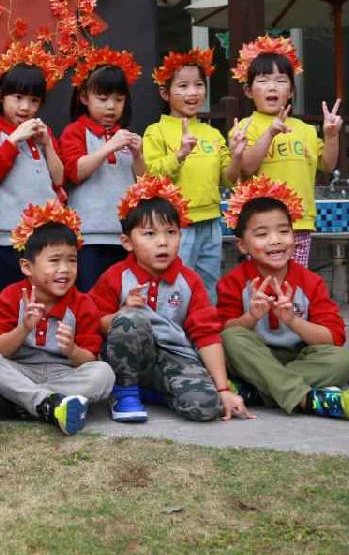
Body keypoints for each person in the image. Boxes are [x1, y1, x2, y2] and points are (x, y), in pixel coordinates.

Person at [91, 175, 251, 424]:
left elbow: (206, 335)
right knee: (130, 319)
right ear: (127, 242)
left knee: (206, 407)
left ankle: (154, 392)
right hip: (131, 359)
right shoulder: (116, 277)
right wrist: (120, 314)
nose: (163, 242)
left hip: (174, 357)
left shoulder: (189, 280)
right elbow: (94, 322)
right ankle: (125, 392)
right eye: (149, 234)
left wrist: (222, 389)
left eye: (171, 232)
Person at [216, 177, 349, 421]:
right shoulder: (233, 281)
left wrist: (293, 320)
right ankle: (307, 399)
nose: (275, 240)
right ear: (242, 245)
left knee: (345, 361)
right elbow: (222, 332)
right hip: (253, 357)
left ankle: (259, 390)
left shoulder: (310, 281)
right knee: (230, 338)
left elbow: (333, 337)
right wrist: (251, 317)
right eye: (262, 234)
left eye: (284, 231)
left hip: (298, 358)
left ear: (294, 236)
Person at [0, 201, 115, 435]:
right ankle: (50, 403)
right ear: (27, 267)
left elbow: (89, 359)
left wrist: (72, 349)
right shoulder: (11, 297)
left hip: (63, 373)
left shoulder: (82, 303)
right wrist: (23, 328)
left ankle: (30, 403)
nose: (65, 269)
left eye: (72, 260)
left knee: (104, 374)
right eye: (54, 260)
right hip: (20, 370)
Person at [143, 48, 246, 297]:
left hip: (211, 221)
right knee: (175, 286)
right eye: (183, 86)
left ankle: (206, 321)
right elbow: (150, 177)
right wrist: (179, 154)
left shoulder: (212, 133)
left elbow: (228, 179)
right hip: (176, 224)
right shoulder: (156, 131)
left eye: (199, 85)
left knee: (208, 287)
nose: (193, 92)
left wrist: (237, 155)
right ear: (165, 93)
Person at [235, 35, 342, 267]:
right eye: (263, 80)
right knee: (263, 279)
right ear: (248, 90)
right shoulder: (245, 126)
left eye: (281, 80)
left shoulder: (305, 129)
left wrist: (331, 136)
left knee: (295, 281)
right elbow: (246, 167)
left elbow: (328, 165)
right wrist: (270, 133)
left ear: (292, 90)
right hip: (261, 225)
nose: (272, 86)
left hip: (299, 221)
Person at [0, 40, 65, 291]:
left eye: (34, 100)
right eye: (17, 98)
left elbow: (59, 179)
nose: (26, 107)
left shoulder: (43, 133)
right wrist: (14, 138)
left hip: (48, 233)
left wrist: (47, 144)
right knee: (13, 297)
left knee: (48, 293)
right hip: (10, 235)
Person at [60, 47, 145, 291]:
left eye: (118, 100)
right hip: (88, 235)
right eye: (103, 98)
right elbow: (75, 172)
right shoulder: (75, 131)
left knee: (122, 295)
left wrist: (138, 155)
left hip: (125, 236)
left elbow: (143, 182)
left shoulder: (125, 136)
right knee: (89, 297)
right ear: (84, 97)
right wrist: (109, 147)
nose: (111, 107)